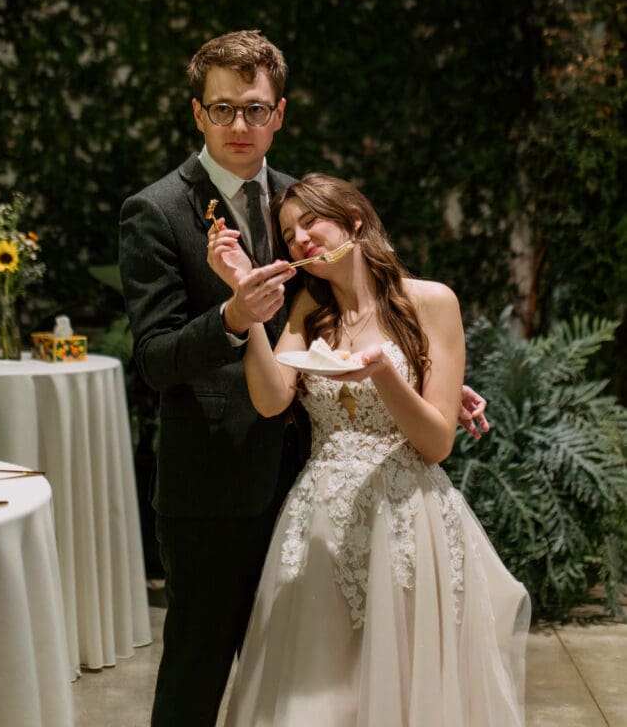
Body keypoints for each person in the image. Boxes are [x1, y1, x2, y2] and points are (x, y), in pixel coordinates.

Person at [119, 30, 490, 727]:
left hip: (314, 486)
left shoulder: (303, 205)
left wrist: (429, 381)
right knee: (197, 674)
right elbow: (155, 358)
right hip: (215, 487)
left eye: (254, 109)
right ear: (197, 113)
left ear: (278, 113)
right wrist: (230, 315)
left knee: (315, 682)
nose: (239, 124)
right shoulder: (157, 210)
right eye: (222, 108)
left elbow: (363, 312)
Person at [207, 172, 529, 727]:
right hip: (320, 520)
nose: (300, 240)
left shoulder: (431, 302)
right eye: (289, 235)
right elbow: (269, 399)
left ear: (354, 221)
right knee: (320, 687)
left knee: (405, 680)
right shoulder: (309, 306)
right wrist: (249, 309)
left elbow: (435, 444)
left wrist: (383, 374)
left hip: (409, 518)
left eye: (312, 222)